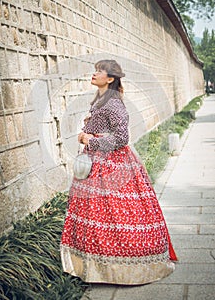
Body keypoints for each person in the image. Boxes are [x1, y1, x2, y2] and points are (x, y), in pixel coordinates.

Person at [60, 59, 177, 284]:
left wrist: (92, 140)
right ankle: (94, 266)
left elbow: (122, 138)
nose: (94, 74)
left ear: (110, 78)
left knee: (117, 212)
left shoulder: (113, 103)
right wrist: (86, 134)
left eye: (99, 71)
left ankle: (123, 267)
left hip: (111, 163)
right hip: (96, 163)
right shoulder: (101, 100)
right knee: (94, 212)